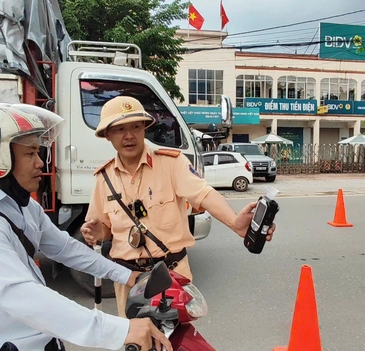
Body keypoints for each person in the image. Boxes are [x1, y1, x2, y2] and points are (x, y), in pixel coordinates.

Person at [0, 103, 171, 351]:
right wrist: (121, 329)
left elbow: (65, 248)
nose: (40, 163)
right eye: (30, 154)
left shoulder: (20, 206)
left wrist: (126, 275)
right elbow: (24, 297)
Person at [80, 96, 277, 317]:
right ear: (107, 135)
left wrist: (234, 223)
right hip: (129, 281)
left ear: (145, 128)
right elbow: (103, 228)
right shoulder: (103, 178)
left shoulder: (172, 163)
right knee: (136, 343)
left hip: (171, 275)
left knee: (176, 343)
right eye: (119, 129)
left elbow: (204, 194)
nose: (129, 136)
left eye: (136, 126)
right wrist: (97, 232)